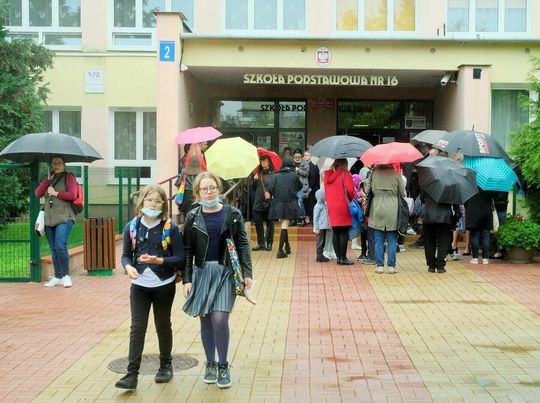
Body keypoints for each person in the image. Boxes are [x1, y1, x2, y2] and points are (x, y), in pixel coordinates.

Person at [182, 172, 253, 389]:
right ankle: (210, 364)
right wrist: (186, 279)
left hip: (225, 273)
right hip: (202, 272)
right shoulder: (192, 217)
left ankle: (223, 365)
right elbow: (187, 250)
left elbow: (242, 244)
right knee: (205, 320)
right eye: (204, 189)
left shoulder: (232, 213)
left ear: (219, 189)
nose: (209, 192)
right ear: (197, 192)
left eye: (212, 188)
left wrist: (247, 273)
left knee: (220, 319)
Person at [116, 185, 185, 390]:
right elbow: (126, 256)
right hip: (139, 286)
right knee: (137, 327)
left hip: (164, 284)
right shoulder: (132, 226)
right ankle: (132, 374)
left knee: (162, 325)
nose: (153, 204)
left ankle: (165, 366)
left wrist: (159, 260)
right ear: (141, 202)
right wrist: (128, 267)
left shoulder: (170, 228)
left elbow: (180, 258)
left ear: (163, 205)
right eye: (149, 200)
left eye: (158, 201)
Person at [34, 155, 78, 288]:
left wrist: (56, 193)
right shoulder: (48, 179)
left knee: (60, 246)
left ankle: (66, 276)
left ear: (64, 164)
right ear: (51, 165)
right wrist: (47, 181)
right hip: (49, 218)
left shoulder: (69, 177)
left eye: (59, 162)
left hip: (64, 217)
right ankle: (58, 276)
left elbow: (73, 194)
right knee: (53, 249)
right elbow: (38, 193)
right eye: (54, 163)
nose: (56, 165)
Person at [367, 164, 405, 274]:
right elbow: (402, 193)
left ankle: (379, 266)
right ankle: (391, 266)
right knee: (392, 239)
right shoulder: (397, 174)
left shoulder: (374, 174)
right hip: (392, 208)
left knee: (378, 239)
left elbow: (367, 190)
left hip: (377, 207)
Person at [267, 157, 302, 258]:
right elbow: (299, 186)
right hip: (290, 203)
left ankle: (287, 247)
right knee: (285, 225)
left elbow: (270, 189)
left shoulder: (275, 175)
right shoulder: (294, 175)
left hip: (277, 203)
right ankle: (279, 251)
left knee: (283, 224)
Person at [324, 158, 355, 265]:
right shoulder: (346, 174)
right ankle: (343, 258)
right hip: (342, 205)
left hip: (331, 206)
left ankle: (338, 258)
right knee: (344, 232)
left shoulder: (327, 175)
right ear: (344, 164)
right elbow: (350, 191)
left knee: (336, 232)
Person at [422, 192, 460, 273]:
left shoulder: (427, 185)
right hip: (445, 216)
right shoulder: (451, 187)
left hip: (429, 215)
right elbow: (456, 203)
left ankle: (431, 265)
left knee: (429, 241)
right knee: (444, 241)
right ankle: (440, 265)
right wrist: (457, 214)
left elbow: (422, 198)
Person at [251, 156, 275, 251]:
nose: (263, 162)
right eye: (262, 161)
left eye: (265, 161)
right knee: (258, 223)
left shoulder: (273, 174)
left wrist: (271, 193)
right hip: (258, 202)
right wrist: (254, 180)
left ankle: (269, 243)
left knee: (270, 223)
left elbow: (276, 187)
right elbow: (252, 188)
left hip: (269, 202)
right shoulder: (258, 173)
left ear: (269, 162)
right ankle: (261, 243)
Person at [465, 188, 495, 264]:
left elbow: (465, 202)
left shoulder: (470, 186)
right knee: (486, 236)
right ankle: (485, 258)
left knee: (475, 235)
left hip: (474, 212)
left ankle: (475, 258)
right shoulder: (489, 186)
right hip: (486, 212)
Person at [293, 149, 310, 226]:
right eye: (296, 157)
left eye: (299, 157)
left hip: (302, 186)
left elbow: (306, 173)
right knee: (293, 203)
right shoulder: (291, 162)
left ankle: (302, 218)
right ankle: (294, 219)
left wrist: (298, 170)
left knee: (300, 202)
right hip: (293, 185)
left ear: (301, 156)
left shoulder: (304, 162)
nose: (297, 158)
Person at [313, 188, 330, 262]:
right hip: (320, 227)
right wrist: (316, 227)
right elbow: (315, 217)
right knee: (320, 241)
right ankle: (319, 255)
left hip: (324, 226)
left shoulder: (324, 205)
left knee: (323, 241)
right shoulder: (317, 206)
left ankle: (321, 254)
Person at [303, 149, 320, 225]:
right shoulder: (304, 165)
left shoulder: (312, 166)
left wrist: (309, 188)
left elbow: (313, 179)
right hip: (305, 189)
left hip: (311, 189)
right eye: (304, 155)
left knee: (311, 204)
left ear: (311, 156)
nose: (305, 157)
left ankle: (313, 220)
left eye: (307, 155)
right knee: (306, 204)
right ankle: (308, 219)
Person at [491, 191, 509, 259]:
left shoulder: (494, 185)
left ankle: (499, 251)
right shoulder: (505, 185)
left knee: (497, 229)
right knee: (501, 228)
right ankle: (501, 250)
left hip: (496, 206)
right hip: (504, 205)